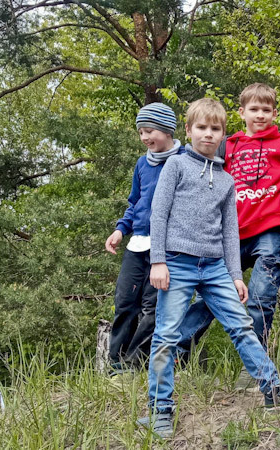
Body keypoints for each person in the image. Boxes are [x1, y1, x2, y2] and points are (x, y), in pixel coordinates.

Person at [138, 98, 280, 439]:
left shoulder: (225, 180)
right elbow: (157, 215)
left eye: (215, 129)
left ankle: (273, 390)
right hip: (176, 263)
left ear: (223, 134)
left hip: (215, 267)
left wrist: (236, 275)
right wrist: (157, 261)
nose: (208, 134)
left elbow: (229, 232)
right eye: (202, 128)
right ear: (189, 130)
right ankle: (160, 409)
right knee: (166, 335)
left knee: (242, 325)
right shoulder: (175, 166)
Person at [176, 83, 280, 381]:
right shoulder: (228, 145)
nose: (260, 115)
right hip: (231, 235)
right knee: (211, 295)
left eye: (266, 110)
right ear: (241, 112)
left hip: (270, 231)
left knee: (261, 297)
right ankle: (175, 355)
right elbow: (196, 168)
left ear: (275, 113)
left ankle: (254, 369)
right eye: (254, 109)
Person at [104, 103, 183, 371]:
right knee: (125, 303)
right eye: (140, 132)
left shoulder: (184, 158)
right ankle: (115, 365)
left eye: (150, 131)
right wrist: (120, 229)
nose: (145, 138)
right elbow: (135, 202)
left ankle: (136, 363)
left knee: (153, 308)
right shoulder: (142, 163)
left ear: (167, 129)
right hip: (137, 244)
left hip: (167, 248)